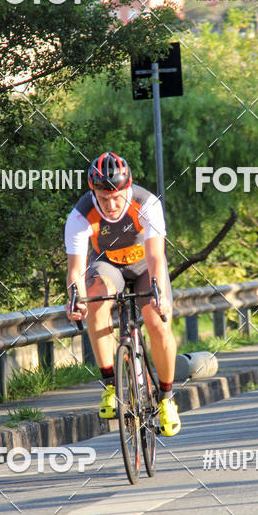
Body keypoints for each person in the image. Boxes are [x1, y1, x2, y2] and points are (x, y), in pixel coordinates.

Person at [64, 152, 181, 436]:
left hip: (145, 266)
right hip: (109, 265)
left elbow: (156, 256)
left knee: (156, 320)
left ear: (127, 188)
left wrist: (161, 295)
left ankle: (167, 399)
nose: (111, 205)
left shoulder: (147, 203)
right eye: (104, 198)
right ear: (93, 192)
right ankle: (110, 386)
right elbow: (76, 270)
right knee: (95, 299)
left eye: (117, 197)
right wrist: (75, 299)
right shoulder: (80, 215)